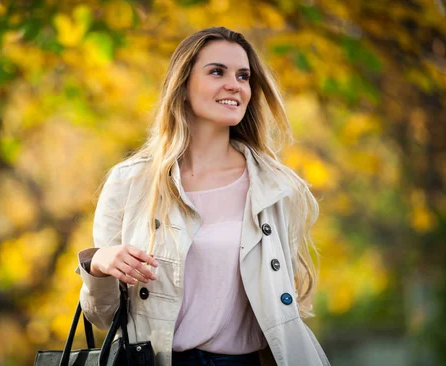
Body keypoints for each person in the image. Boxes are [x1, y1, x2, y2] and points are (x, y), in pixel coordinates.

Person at [75, 26, 331, 366]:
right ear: (182, 87)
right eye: (216, 72)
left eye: (243, 76)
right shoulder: (132, 183)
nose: (234, 85)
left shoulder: (275, 188)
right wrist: (99, 264)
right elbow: (102, 317)